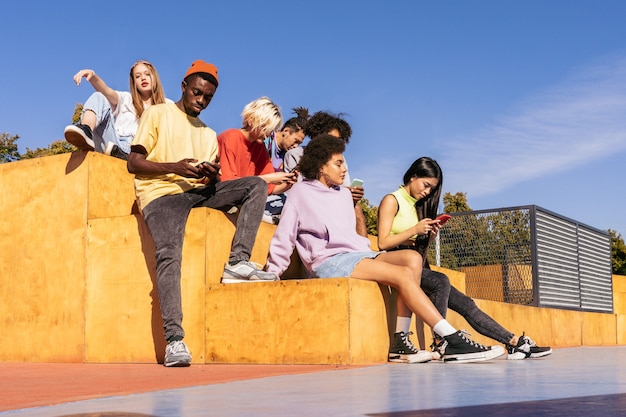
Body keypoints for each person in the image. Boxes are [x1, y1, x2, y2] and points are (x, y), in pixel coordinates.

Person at [265, 135, 505, 364]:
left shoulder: (342, 196)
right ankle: (450, 338)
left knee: (412, 258)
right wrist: (273, 273)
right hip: (328, 260)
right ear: (320, 165)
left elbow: (351, 235)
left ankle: (400, 341)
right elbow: (284, 236)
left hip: (356, 256)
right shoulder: (299, 192)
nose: (344, 169)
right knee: (403, 275)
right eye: (338, 163)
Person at [127, 60, 277, 367]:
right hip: (161, 195)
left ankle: (237, 262)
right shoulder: (157, 113)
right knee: (169, 255)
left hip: (196, 192)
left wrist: (210, 175)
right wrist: (175, 167)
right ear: (184, 87)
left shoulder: (208, 134)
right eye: (197, 93)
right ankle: (174, 341)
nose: (201, 100)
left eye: (208, 97)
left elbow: (208, 180)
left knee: (255, 186)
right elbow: (134, 162)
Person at [377, 157, 553, 360]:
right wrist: (415, 229)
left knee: (466, 304)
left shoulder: (419, 205)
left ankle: (514, 342)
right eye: (426, 185)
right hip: (397, 264)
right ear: (413, 176)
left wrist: (430, 235)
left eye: (432, 189)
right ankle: (441, 343)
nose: (427, 192)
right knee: (440, 281)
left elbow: (414, 245)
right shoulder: (392, 200)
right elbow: (383, 242)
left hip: (417, 265)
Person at [283, 111, 367, 236]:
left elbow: (344, 187)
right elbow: (294, 190)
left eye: (338, 140)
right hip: (309, 204)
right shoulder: (295, 155)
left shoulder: (340, 161)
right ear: (317, 136)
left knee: (356, 209)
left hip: (333, 203)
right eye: (330, 138)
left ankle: (365, 251)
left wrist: (353, 193)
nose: (334, 144)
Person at [64, 60, 170, 160]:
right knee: (100, 96)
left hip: (141, 152)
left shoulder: (167, 105)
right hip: (113, 144)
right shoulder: (127, 99)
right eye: (138, 76)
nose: (143, 78)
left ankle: (126, 157)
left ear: (154, 77)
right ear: (134, 82)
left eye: (147, 74)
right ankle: (86, 131)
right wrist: (93, 76)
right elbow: (106, 91)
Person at [217, 97, 298, 223]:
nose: (267, 134)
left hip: (244, 202)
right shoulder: (231, 137)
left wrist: (288, 182)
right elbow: (227, 184)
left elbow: (271, 188)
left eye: (271, 130)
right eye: (265, 128)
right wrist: (270, 178)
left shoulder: (260, 148)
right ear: (251, 121)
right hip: (224, 199)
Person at [262, 107, 310, 223]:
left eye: (300, 143)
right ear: (286, 131)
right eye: (296, 140)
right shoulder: (265, 141)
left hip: (277, 194)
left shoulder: (288, 154)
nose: (296, 146)